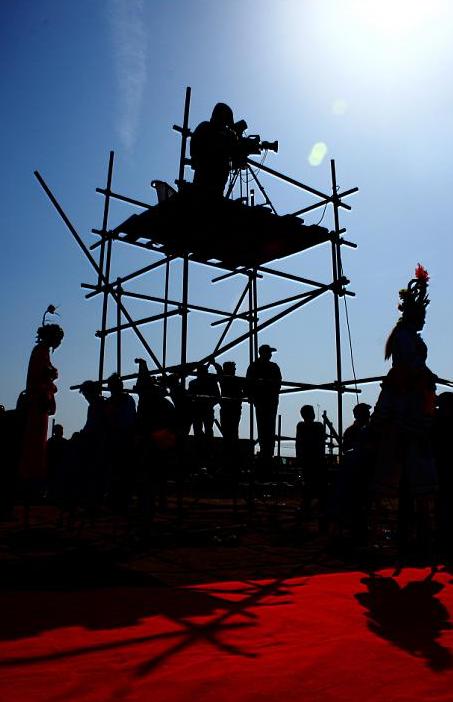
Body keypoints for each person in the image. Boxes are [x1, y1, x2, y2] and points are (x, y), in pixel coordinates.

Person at [370, 264, 438, 551]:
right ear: (412, 315)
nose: (423, 319)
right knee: (395, 447)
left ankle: (420, 522)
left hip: (414, 394)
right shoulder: (404, 338)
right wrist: (425, 376)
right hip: (402, 395)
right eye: (420, 314)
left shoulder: (412, 337)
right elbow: (411, 367)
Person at [18, 310, 64, 525]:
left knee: (37, 445)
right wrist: (51, 375)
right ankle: (30, 485)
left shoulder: (42, 351)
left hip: (40, 404)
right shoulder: (40, 352)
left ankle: (32, 484)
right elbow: (41, 376)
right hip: (38, 404)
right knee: (35, 445)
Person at [190, 102, 238, 197]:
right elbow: (195, 151)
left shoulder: (227, 135)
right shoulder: (205, 127)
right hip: (203, 181)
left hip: (218, 184)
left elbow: (234, 152)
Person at [246, 344, 282, 469]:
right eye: (269, 352)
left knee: (266, 427)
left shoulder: (257, 366)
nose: (271, 355)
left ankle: (267, 453)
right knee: (266, 427)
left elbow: (278, 384)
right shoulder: (261, 366)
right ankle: (266, 453)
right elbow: (249, 384)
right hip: (264, 400)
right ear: (264, 353)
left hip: (267, 400)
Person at [296, 404, 327, 526]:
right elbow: (320, 445)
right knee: (321, 490)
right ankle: (320, 516)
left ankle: (307, 513)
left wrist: (299, 459)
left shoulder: (301, 426)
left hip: (306, 462)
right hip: (317, 462)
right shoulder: (318, 426)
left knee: (307, 489)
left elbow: (298, 444)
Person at [188, 364, 220, 438]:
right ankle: (207, 445)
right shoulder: (211, 383)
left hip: (199, 409)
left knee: (199, 429)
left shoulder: (193, 383)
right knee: (206, 430)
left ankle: (202, 445)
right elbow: (217, 397)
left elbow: (189, 397)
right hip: (204, 409)